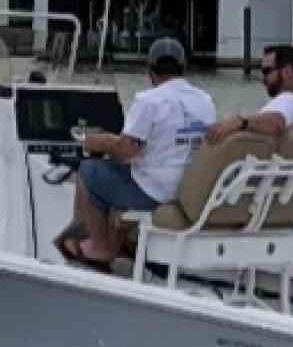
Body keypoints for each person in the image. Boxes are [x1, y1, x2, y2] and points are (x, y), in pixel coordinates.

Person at [60, 36, 215, 268]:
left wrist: (97, 141)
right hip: (189, 189)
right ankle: (118, 247)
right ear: (183, 68)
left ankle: (96, 247)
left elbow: (126, 151)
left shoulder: (149, 100)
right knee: (123, 174)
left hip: (156, 193)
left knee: (90, 170)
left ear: (150, 71)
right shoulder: (205, 100)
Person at [205, 44, 293, 144]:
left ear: (287, 71)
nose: (263, 78)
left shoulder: (289, 100)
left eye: (266, 71)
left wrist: (241, 122)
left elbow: (275, 122)